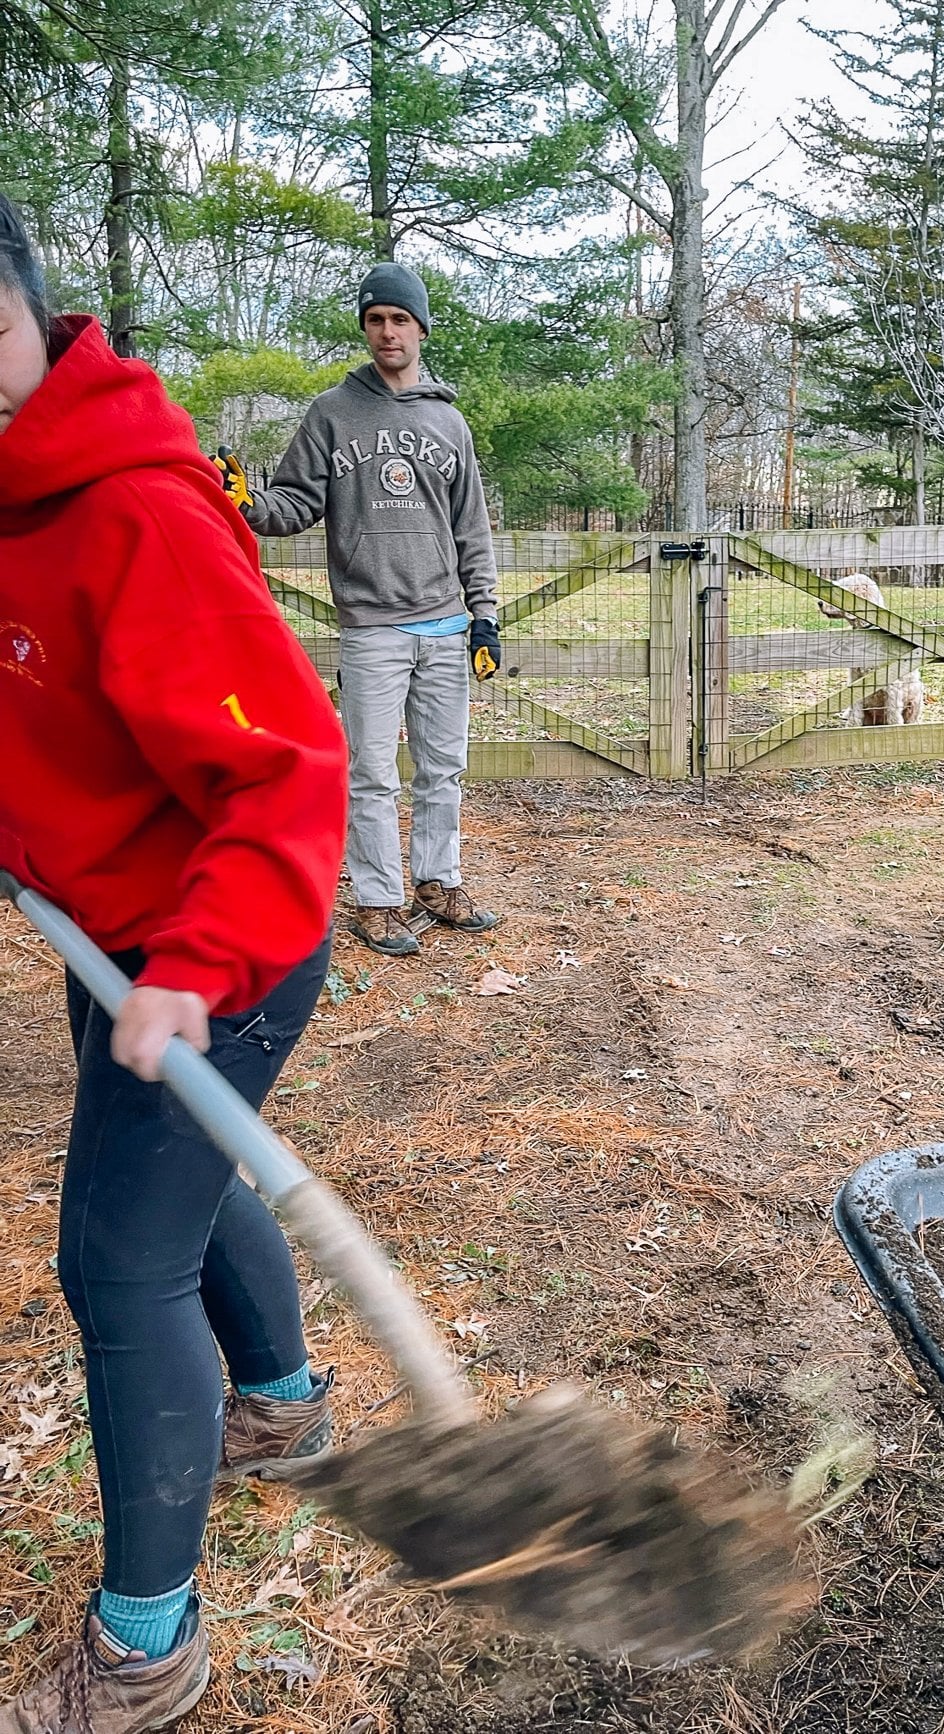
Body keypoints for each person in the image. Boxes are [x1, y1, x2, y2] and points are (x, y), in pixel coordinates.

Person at [0, 193, 350, 1732]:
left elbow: (288, 770)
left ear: (30, 307)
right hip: (113, 928)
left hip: (222, 940)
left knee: (115, 1259)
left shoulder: (136, 511)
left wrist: (195, 961)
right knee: (175, 1193)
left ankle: (147, 1643)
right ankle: (279, 1406)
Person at [219, 260, 502, 958]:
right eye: (375, 320)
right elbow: (295, 502)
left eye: (400, 319)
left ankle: (438, 882)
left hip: (444, 625)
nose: (387, 332)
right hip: (372, 629)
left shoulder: (448, 422)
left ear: (421, 328)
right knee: (371, 774)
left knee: (443, 769)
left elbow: (472, 529)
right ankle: (377, 900)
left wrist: (484, 616)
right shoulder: (332, 413)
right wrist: (247, 504)